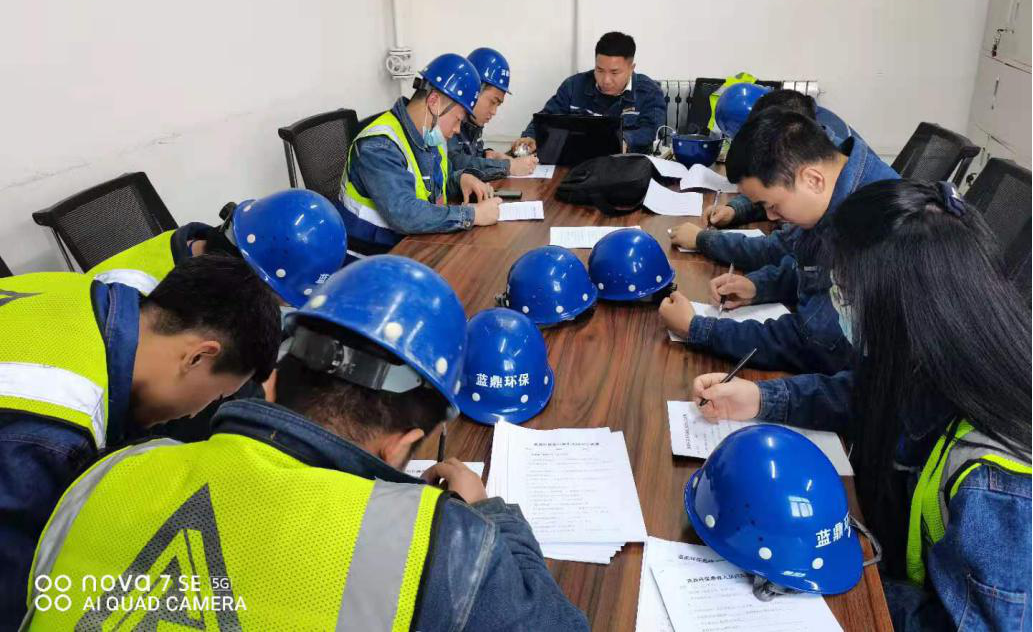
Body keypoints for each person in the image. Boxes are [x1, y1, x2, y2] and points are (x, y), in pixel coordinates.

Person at [19, 256, 589, 631]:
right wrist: (491, 516)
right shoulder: (440, 545)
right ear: (401, 447)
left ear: (270, 382)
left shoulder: (105, 474)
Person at [690, 180, 1032, 631]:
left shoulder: (997, 486)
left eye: (846, 293)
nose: (838, 305)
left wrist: (833, 576)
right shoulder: (943, 358)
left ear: (904, 310)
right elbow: (862, 395)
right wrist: (761, 398)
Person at [0, 255, 281, 625]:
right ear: (198, 356)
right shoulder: (55, 434)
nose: (195, 414)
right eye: (216, 396)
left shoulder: (73, 290)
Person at [659, 107, 898, 377]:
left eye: (772, 205)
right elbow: (817, 269)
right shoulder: (836, 184)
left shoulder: (871, 229)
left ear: (812, 180)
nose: (771, 216)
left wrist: (698, 329)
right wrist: (759, 286)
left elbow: (816, 343)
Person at [341, 53, 501, 256]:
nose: (457, 129)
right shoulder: (379, 146)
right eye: (457, 119)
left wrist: (461, 179)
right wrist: (473, 215)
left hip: (413, 244)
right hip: (373, 257)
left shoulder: (429, 135)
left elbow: (431, 187)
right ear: (433, 102)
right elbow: (405, 213)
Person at [88, 188, 347, 307]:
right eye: (279, 300)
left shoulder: (196, 247)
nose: (279, 309)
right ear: (254, 277)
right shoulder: (144, 302)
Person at [511, 32, 665, 155]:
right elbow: (546, 118)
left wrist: (623, 141)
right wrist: (530, 137)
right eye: (600, 70)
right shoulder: (573, 86)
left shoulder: (650, 92)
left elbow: (652, 130)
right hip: (576, 163)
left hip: (626, 167)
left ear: (631, 68)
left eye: (614, 72)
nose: (606, 80)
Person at [448, 47, 539, 181]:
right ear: (474, 89)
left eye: (498, 105)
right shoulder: (448, 118)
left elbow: (469, 156)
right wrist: (508, 166)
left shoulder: (472, 123)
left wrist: (489, 155)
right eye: (492, 102)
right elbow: (453, 163)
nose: (494, 112)